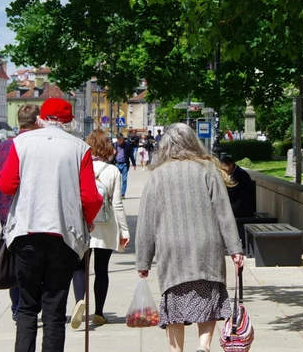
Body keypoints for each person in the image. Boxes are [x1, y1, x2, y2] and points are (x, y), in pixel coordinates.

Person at [0, 98, 103, 352]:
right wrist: (87, 221)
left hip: (27, 230)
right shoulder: (79, 148)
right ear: (69, 121)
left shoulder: (20, 143)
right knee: (54, 309)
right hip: (63, 234)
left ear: (40, 119)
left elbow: (6, 185)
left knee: (27, 306)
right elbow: (90, 197)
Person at [136, 123, 244, 352]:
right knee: (209, 299)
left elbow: (147, 220)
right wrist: (235, 248)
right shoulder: (208, 169)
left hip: (172, 250)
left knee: (174, 305)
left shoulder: (158, 175)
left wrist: (143, 260)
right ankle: (204, 346)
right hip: (207, 246)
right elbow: (224, 212)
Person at [0, 104, 40, 322]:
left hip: (10, 217)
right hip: (36, 214)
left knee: (17, 264)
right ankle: (35, 305)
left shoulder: (3, 148)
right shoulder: (39, 147)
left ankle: (19, 308)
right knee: (38, 263)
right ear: (37, 122)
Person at [69, 129, 131, 329]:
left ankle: (79, 301)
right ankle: (98, 313)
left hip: (83, 224)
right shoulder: (113, 171)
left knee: (80, 268)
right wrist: (125, 231)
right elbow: (117, 204)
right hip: (105, 226)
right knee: (102, 270)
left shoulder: (80, 168)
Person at [113, 133, 135, 198]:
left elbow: (131, 155)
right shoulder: (114, 145)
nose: (119, 141)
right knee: (116, 180)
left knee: (124, 180)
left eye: (121, 140)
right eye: (118, 140)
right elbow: (109, 153)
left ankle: (122, 194)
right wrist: (113, 153)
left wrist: (134, 163)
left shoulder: (127, 145)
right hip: (116, 164)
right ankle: (116, 193)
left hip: (124, 164)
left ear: (123, 139)